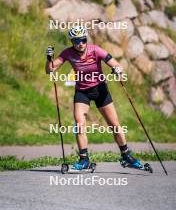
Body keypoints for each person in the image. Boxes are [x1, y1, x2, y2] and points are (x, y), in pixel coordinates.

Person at [45, 26, 140, 170]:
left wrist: (118, 71)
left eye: (83, 40)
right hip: (82, 91)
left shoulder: (95, 50)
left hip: (100, 90)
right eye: (76, 41)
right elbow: (50, 70)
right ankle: (84, 160)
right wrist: (49, 59)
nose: (80, 43)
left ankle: (126, 156)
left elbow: (115, 64)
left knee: (114, 125)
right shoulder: (68, 53)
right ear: (72, 41)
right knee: (79, 123)